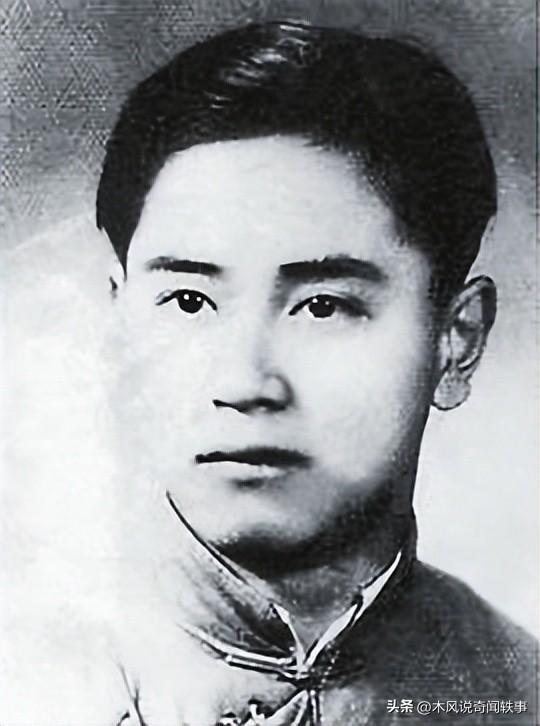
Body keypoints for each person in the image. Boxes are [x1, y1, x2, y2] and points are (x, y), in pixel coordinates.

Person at [94, 20, 536, 725]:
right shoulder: (25, 664)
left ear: (457, 341)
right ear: (120, 323)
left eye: (323, 306)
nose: (245, 383)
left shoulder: (517, 689)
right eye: (189, 301)